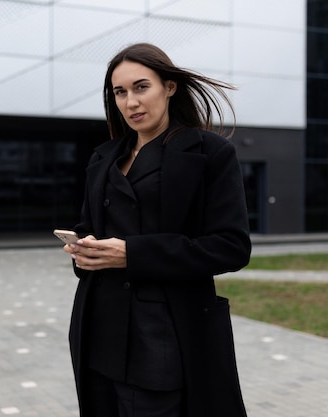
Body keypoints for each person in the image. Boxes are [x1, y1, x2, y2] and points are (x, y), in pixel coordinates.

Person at [62, 43, 251, 417]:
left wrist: (132, 254)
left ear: (169, 87)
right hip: (97, 333)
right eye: (120, 92)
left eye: (141, 87)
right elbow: (89, 228)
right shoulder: (103, 157)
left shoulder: (210, 154)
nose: (131, 101)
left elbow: (231, 247)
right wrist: (84, 253)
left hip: (163, 340)